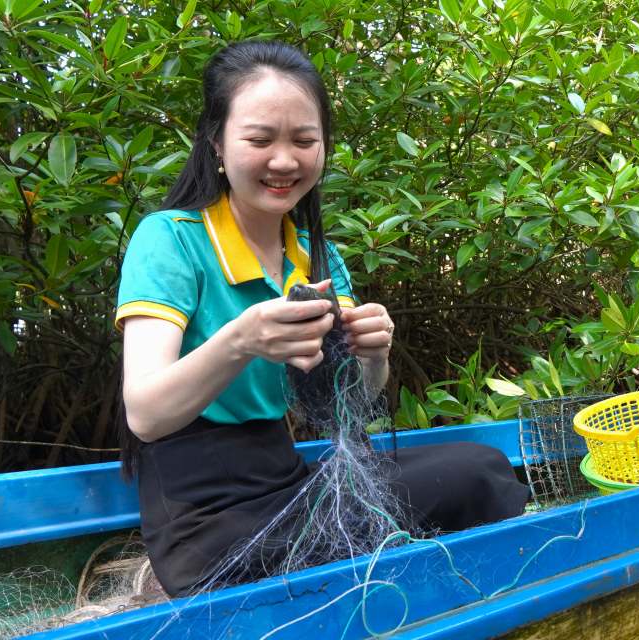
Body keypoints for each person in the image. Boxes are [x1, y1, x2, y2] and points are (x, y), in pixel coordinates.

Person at [115, 41, 528, 597]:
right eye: (259, 139)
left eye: (305, 141)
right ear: (216, 142)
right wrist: (239, 340)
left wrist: (374, 355)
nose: (284, 161)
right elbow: (144, 415)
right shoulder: (169, 239)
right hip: (204, 526)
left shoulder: (315, 257)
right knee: (475, 480)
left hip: (287, 485)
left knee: (481, 464)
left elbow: (347, 405)